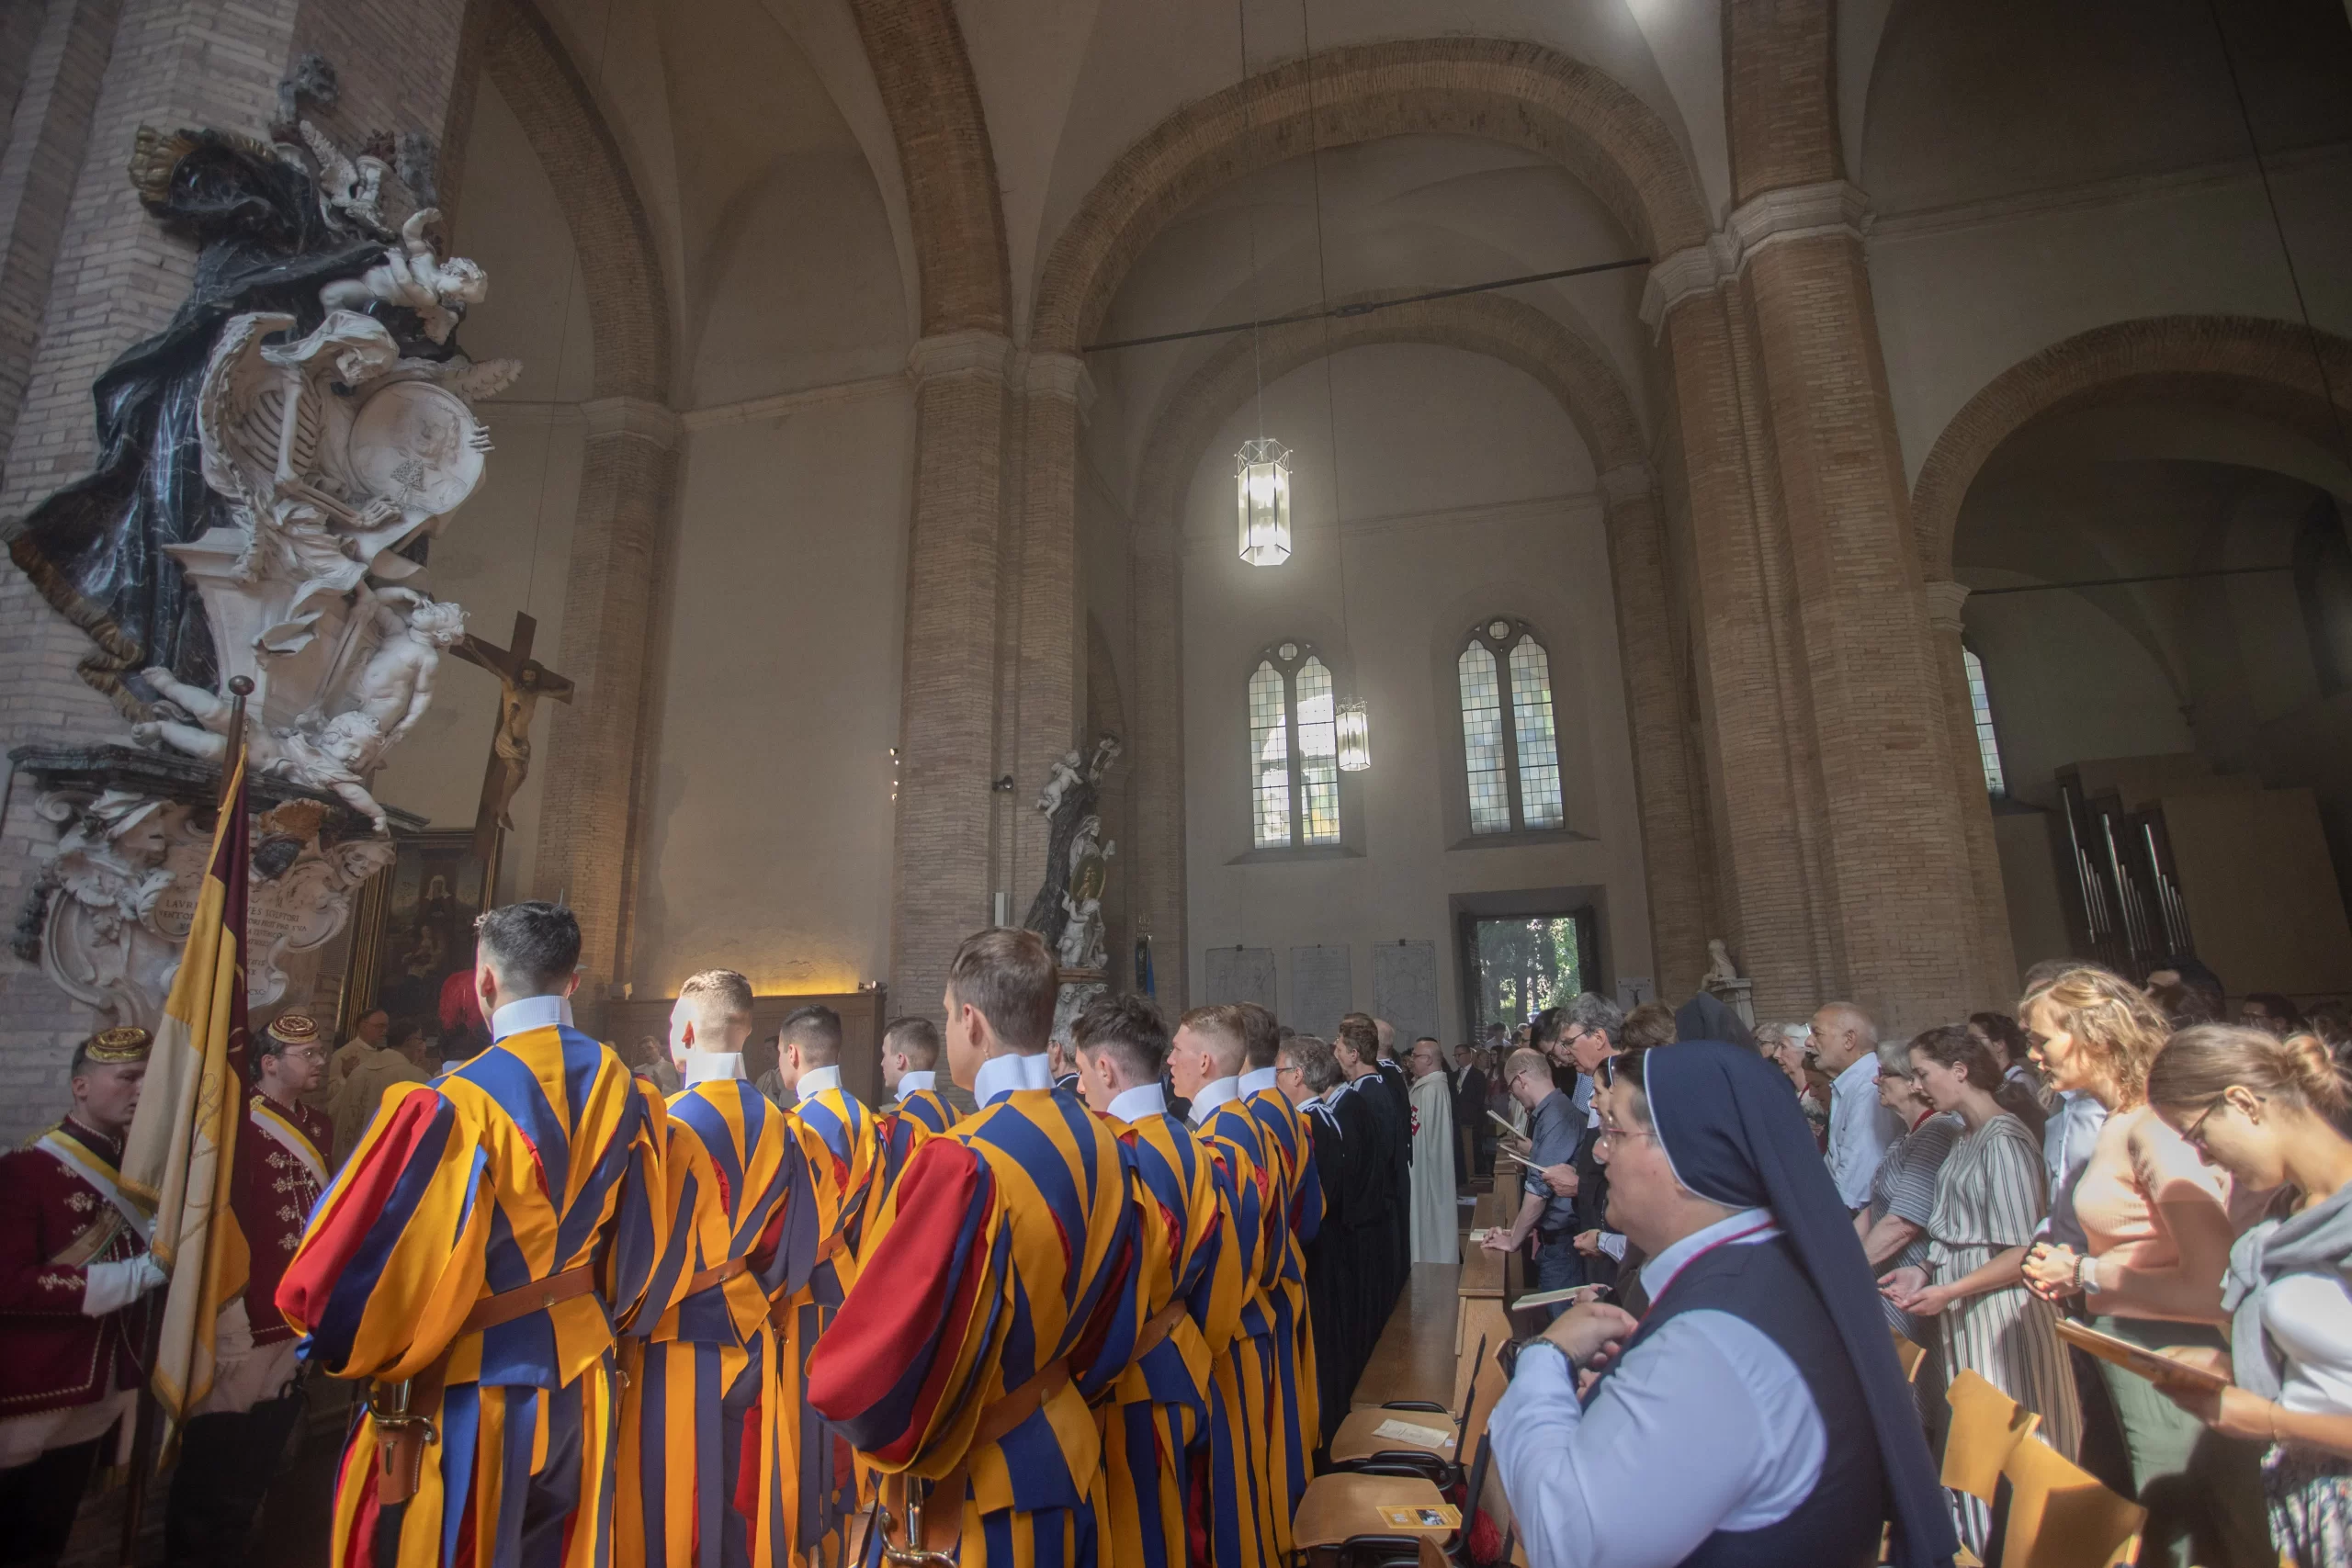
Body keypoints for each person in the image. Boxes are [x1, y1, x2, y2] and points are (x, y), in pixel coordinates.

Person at [279, 901, 670, 1568]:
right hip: (585, 1368)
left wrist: (336, 1337)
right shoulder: (631, 1090)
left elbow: (366, 1262)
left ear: (484, 983)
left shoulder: (450, 1100)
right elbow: (644, 1237)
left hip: (478, 1377)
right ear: (571, 983)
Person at [1487, 1043, 1955, 1568]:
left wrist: (1545, 1358)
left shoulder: (1717, 1339)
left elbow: (1563, 1540)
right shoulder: (1763, 1272)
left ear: (1687, 1158)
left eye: (1614, 1130)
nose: (1600, 1152)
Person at [806, 928, 1148, 1566]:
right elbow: (1118, 1310)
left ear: (972, 1020)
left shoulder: (965, 1160)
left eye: (945, 1012)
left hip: (983, 1485)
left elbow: (884, 1349)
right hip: (1067, 1440)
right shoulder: (1102, 1138)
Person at [2018, 966, 2270, 1568]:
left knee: (2190, 1541)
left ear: (2095, 1034)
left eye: (2042, 1039)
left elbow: (2213, 1281)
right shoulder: (2119, 1120)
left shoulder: (2155, 1125)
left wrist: (2082, 1273)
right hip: (2132, 1352)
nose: (2033, 1054)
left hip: (2174, 1359)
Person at [2144, 1024, 2352, 1566]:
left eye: (2198, 1138)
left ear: (2242, 1103)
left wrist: (2271, 1421)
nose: (2206, 1160)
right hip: (2315, 1502)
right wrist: (2228, 1366)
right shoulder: (2290, 1215)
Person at [618, 968, 805, 1568]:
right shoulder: (784, 1124)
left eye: (674, 1022)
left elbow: (644, 1246)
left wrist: (626, 1321)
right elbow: (793, 1245)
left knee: (674, 1497)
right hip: (750, 1322)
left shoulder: (671, 1123)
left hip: (676, 1332)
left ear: (690, 1031)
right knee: (739, 1484)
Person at [1881, 1026, 2080, 1545]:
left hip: (2004, 1315)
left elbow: (2021, 1253)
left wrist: (1950, 1288)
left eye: (1924, 1074)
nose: (1919, 1087)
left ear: (1960, 1071)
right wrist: (1924, 1271)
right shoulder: (1964, 1136)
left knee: (2022, 1447)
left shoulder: (2005, 1139)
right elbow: (1955, 1228)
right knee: (1977, 1450)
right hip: (1966, 1311)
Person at [165, 1013, 336, 1565]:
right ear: (268, 1063)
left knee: (265, 1449)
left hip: (296, 1307)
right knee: (216, 1456)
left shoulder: (319, 1124)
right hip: (242, 1307)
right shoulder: (234, 1124)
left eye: (318, 1051)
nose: (318, 1061)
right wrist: (226, 1308)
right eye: (305, 1054)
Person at [1069, 993, 1230, 1568]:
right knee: (1185, 1526)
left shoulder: (1117, 1153)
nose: (1081, 1088)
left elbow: (1109, 1292)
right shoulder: (1190, 1137)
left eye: (1084, 1072)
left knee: (1143, 1538)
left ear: (1106, 1068)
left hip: (1132, 1378)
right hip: (1184, 1353)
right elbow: (1221, 1263)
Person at [0, 1028, 168, 1568]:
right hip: (32, 1389)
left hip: (100, 1387)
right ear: (80, 1086)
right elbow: (9, 1285)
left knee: (48, 1537)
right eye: (127, 1077)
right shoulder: (25, 1172)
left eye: (149, 1077)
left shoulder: (140, 1174)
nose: (142, 1089)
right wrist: (133, 1278)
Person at [1171, 1004, 1289, 1568]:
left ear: (1206, 1060)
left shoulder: (1223, 1137)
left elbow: (1227, 1260)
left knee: (1231, 1486)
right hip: (1248, 1323)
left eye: (1177, 1049)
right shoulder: (1247, 1120)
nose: (1168, 1060)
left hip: (1230, 1334)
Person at [768, 1000, 881, 1562]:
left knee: (811, 1438)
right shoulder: (870, 1118)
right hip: (857, 1286)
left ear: (791, 1054)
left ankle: (815, 1545)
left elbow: (793, 1223)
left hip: (810, 1293)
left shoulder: (802, 1124)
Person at [1234, 1001, 1320, 1531]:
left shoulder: (1252, 1119)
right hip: (1285, 1278)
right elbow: (1310, 1216)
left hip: (1258, 1293)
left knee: (1263, 1434)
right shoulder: (1285, 1108)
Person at [1855, 1037, 1962, 1349]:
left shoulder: (1937, 1132)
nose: (1876, 1079)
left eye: (1885, 1072)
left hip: (1911, 1280)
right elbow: (1876, 1208)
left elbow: (1903, 1223)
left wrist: (1850, 1273)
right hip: (1888, 1277)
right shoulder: (1909, 1134)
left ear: (1912, 1083)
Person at [1280, 1033, 1357, 1440]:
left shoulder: (1307, 1123)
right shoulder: (1324, 1115)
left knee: (1322, 1349)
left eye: (1277, 1071)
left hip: (1318, 1249)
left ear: (1297, 1076)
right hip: (1333, 1248)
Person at [1483, 1047, 1584, 1313]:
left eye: (1510, 1086)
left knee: (1563, 1328)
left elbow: (1539, 1190)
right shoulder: (1550, 1111)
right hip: (1555, 1241)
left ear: (1521, 1079)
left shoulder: (1556, 1115)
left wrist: (1514, 1240)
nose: (1512, 1093)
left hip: (1563, 1245)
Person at [1335, 1013, 1407, 1314]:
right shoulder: (1369, 1088)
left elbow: (1371, 1160)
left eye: (1339, 1047)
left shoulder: (1367, 1096)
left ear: (1354, 1054)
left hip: (1372, 1214)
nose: (1334, 1052)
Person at [1813, 1002, 1900, 1211]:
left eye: (1817, 1034)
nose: (1809, 1042)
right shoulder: (1848, 1084)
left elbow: (1855, 1190)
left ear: (1849, 1039)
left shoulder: (1870, 1086)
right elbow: (1833, 1162)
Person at [327, 1013, 431, 1168]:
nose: (422, 1045)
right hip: (387, 1166)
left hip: (350, 1164)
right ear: (410, 1041)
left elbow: (334, 1110)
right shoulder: (416, 1076)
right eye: (419, 1040)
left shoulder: (359, 1071)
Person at [1407, 1037, 1455, 1265]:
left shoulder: (1434, 1089)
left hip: (1428, 1171)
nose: (1411, 1061)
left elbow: (1435, 1143)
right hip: (1419, 1167)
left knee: (1431, 1221)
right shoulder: (1425, 1086)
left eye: (1415, 1056)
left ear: (1427, 1059)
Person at [1970, 1010, 2051, 1139]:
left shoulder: (2020, 1082)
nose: (1969, 1047)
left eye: (1974, 1040)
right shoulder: (1994, 1081)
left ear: (1999, 1045)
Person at [880, 1014, 966, 1132]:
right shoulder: (956, 1115)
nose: (882, 1063)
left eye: (884, 1054)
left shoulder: (900, 1121)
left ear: (900, 1059)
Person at [325, 1006, 390, 1091]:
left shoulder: (385, 1055)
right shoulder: (345, 1054)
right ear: (363, 1026)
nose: (384, 1031)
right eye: (380, 1026)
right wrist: (345, 1077)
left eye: (386, 1027)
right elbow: (329, 1092)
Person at [1451, 1043, 1489, 1182]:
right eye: (1454, 1055)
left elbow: (1478, 1099)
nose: (1456, 1058)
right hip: (1458, 1122)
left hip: (1473, 1122)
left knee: (1474, 1151)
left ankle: (1476, 1176)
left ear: (1468, 1055)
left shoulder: (1477, 1075)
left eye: (1459, 1055)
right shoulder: (1453, 1076)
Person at [2239, 994, 2305, 1038]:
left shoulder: (2295, 1053)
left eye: (2253, 1018)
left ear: (2279, 1023)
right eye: (2243, 1016)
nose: (2244, 1023)